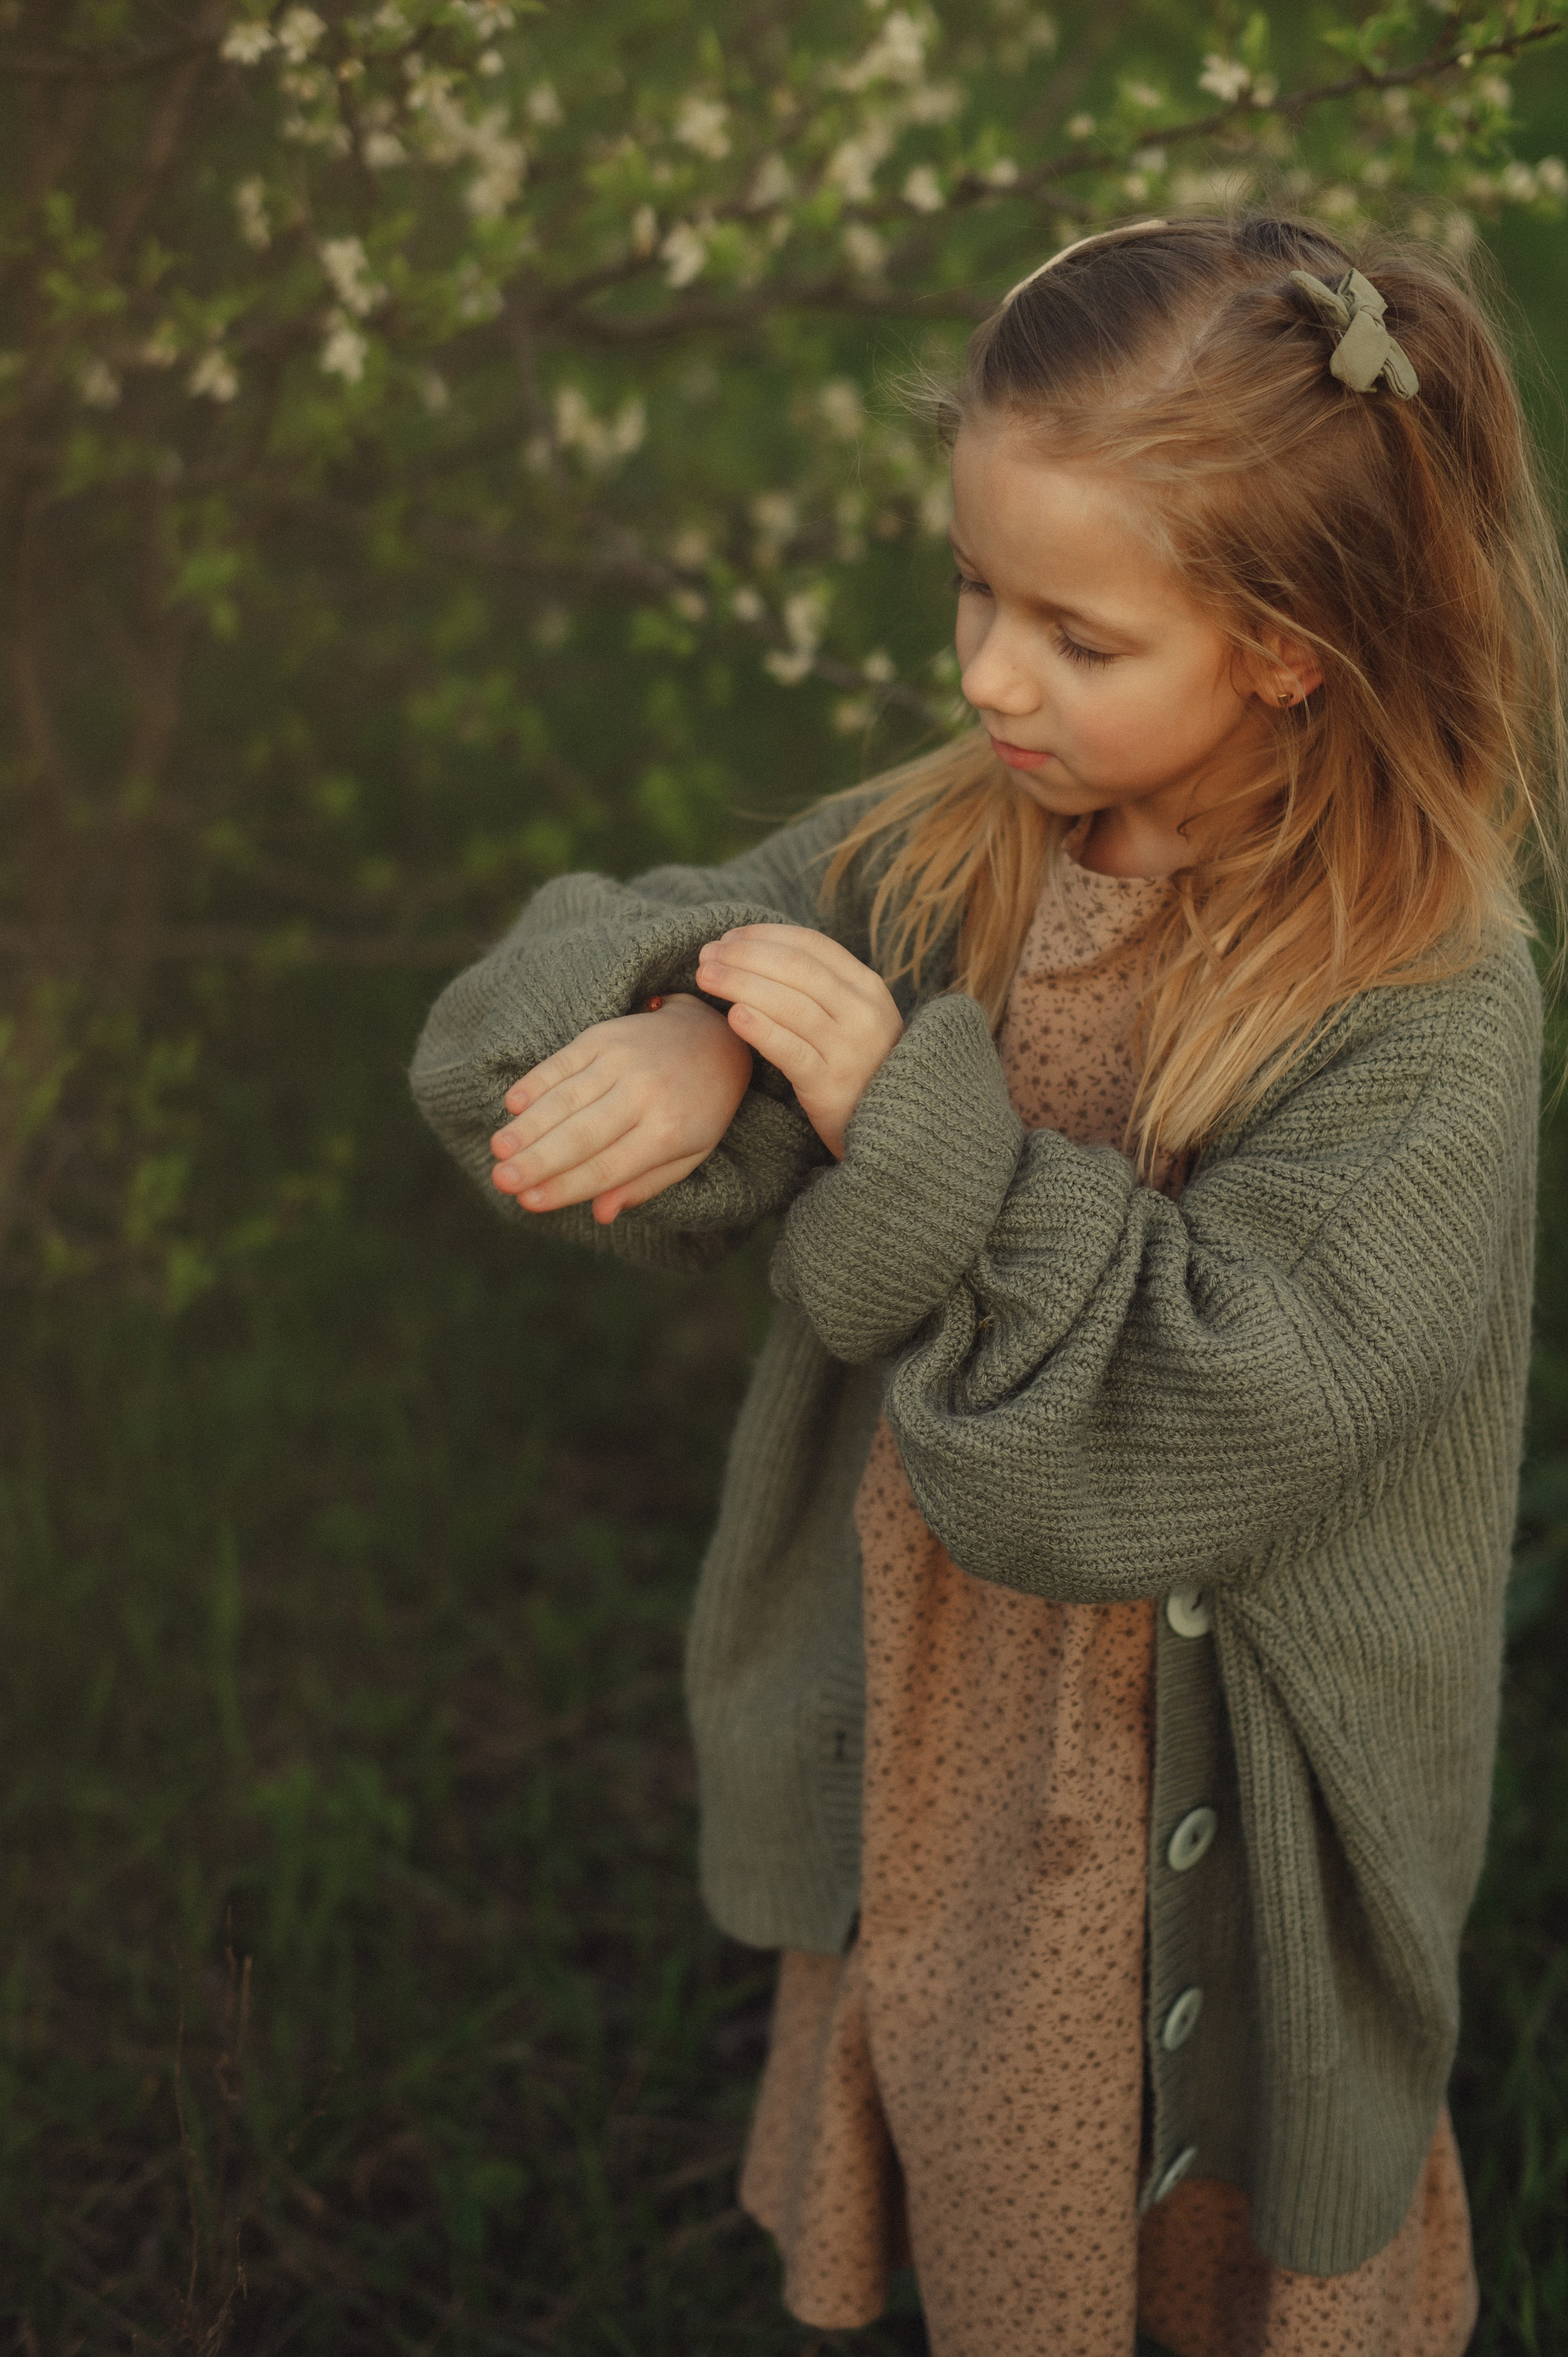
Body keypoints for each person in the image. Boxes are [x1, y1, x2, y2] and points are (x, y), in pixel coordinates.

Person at [409, 214, 1566, 2356]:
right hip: (946, 1734)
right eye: (973, 589)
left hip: (1193, 1796)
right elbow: (512, 1020)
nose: (987, 676)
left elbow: (1203, 1420)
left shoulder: (1422, 1001)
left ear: (1291, 650)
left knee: (1183, 2216)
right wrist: (708, 1018)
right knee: (987, 2166)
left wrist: (902, 1123)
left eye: (1076, 633)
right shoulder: (969, 841)